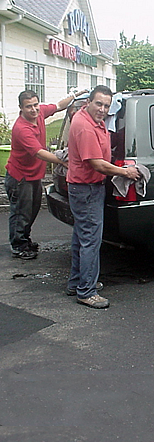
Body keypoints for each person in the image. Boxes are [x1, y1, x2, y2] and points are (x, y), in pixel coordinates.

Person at [67, 85, 139, 309]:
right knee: (90, 241)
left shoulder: (90, 119)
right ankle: (86, 291)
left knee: (81, 237)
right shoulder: (85, 127)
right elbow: (96, 164)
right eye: (99, 104)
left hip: (82, 188)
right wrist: (125, 171)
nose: (103, 109)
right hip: (86, 189)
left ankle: (77, 282)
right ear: (88, 102)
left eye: (107, 106)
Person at [5, 89, 85, 260]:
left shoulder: (40, 112)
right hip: (20, 178)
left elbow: (57, 106)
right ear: (21, 108)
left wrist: (75, 97)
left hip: (33, 176)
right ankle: (18, 245)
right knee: (21, 212)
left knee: (32, 210)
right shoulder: (22, 128)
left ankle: (24, 239)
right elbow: (39, 153)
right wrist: (62, 161)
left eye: (35, 105)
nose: (34, 110)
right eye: (29, 107)